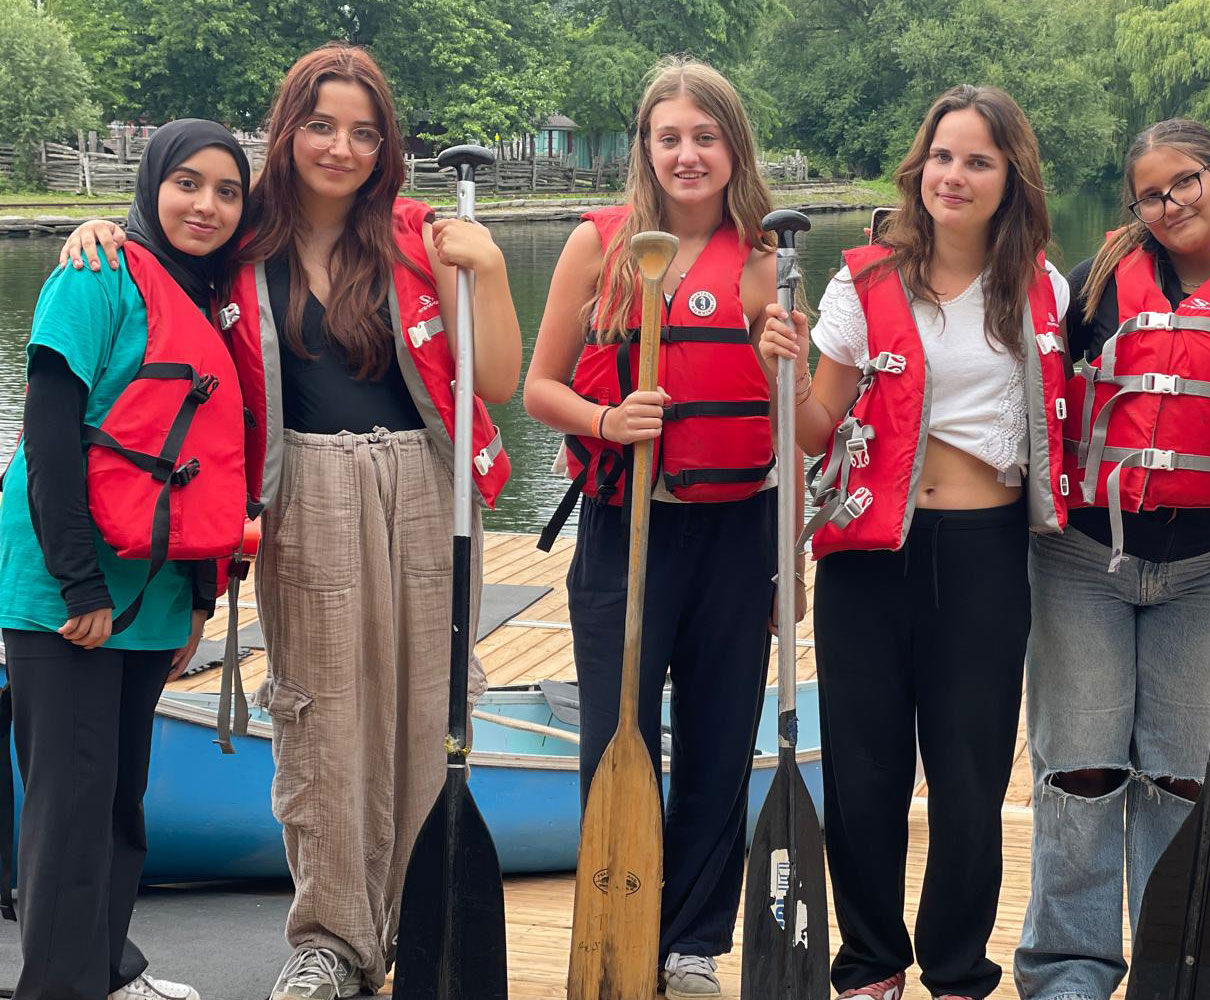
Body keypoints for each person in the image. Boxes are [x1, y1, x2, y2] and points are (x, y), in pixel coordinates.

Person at [61, 44, 522, 999]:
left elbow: (501, 379)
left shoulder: (421, 235)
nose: (340, 148)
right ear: (288, 130)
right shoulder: (241, 241)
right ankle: (333, 940)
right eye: (321, 126)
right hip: (305, 489)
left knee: (429, 713)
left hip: (426, 483)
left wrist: (490, 273)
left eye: (363, 132)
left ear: (386, 146)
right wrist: (102, 227)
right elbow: (161, 252)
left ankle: (422, 924)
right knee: (319, 716)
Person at [759, 84, 1070, 1000]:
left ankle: (957, 970)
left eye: (977, 160)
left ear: (1010, 177)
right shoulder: (862, 282)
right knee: (865, 774)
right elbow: (816, 428)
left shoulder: (1045, 288)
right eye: (942, 156)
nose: (954, 175)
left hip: (983, 556)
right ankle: (869, 965)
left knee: (970, 779)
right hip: (868, 557)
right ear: (919, 167)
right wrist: (780, 366)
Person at [1012, 118, 1210, 1000]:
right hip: (1084, 559)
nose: (1169, 205)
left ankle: (1176, 967)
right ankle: (1069, 971)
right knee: (1079, 772)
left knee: (1183, 782)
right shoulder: (1098, 283)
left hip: (1207, 567)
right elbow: (1033, 388)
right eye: (1150, 195)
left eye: (1184, 183)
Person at [521, 56, 784, 1000]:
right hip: (622, 526)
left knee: (719, 739)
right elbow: (539, 387)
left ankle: (693, 943)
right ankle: (620, 921)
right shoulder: (599, 246)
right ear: (646, 147)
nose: (687, 155)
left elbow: (800, 422)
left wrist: (781, 363)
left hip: (737, 533)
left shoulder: (768, 259)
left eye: (705, 137)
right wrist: (606, 420)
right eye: (669, 138)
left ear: (733, 148)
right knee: (614, 734)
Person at [0, 119, 252, 1000]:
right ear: (152, 185)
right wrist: (79, 582)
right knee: (69, 807)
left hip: (153, 595)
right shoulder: (94, 273)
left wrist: (198, 601)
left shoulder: (210, 298)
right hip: (66, 592)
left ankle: (106, 972)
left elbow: (204, 461)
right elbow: (49, 435)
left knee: (118, 803)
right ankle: (59, 988)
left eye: (227, 191)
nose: (206, 205)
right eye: (188, 183)